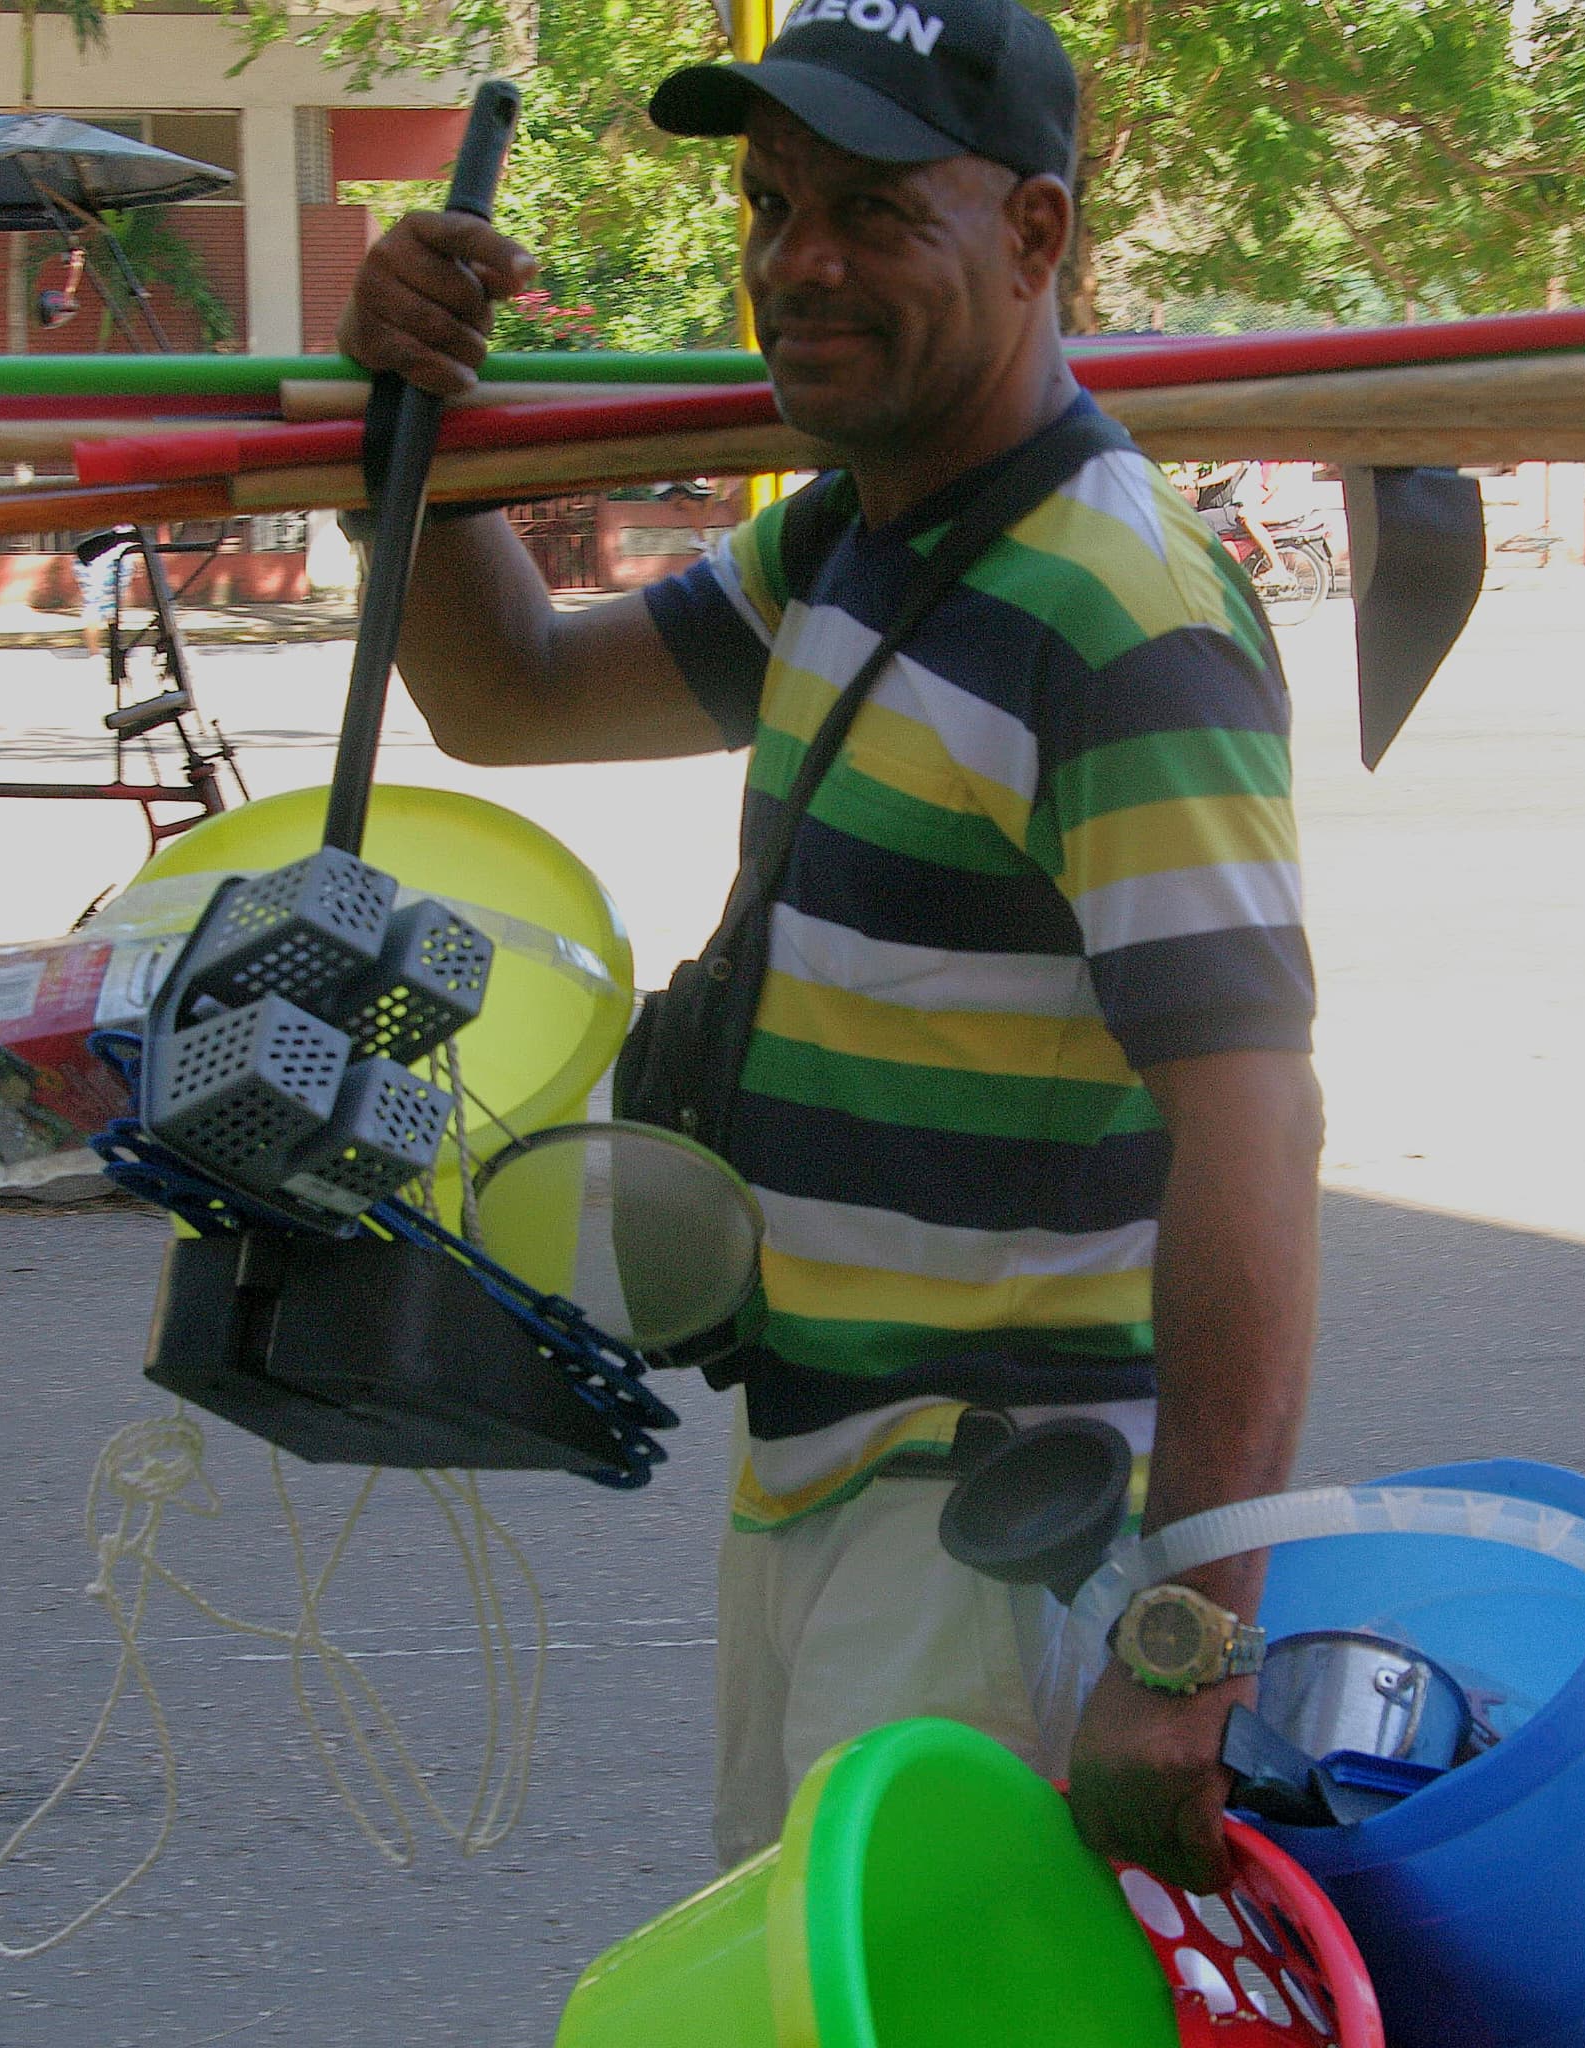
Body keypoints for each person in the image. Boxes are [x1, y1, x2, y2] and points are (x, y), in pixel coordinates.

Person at [338, 0, 1323, 1893]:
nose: (799, 261)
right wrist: (421, 404)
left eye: (874, 210)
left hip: (1001, 1516)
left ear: (1036, 238)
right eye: (772, 200)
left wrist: (1191, 1632)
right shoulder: (853, 546)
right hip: (822, 1471)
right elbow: (508, 688)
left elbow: (1255, 1129)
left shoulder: (1121, 622)